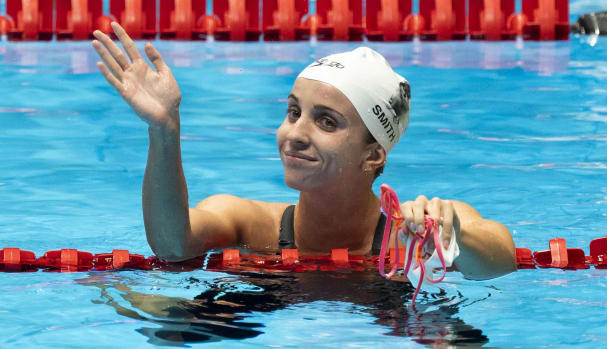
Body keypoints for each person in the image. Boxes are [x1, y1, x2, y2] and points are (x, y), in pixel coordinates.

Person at [91, 22, 516, 281]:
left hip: (395, 322)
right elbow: (171, 244)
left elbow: (502, 261)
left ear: (373, 155)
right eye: (293, 112)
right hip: (264, 311)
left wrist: (456, 236)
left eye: (326, 121)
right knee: (168, 322)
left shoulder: (417, 232)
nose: (295, 133)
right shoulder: (248, 224)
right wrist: (164, 130)